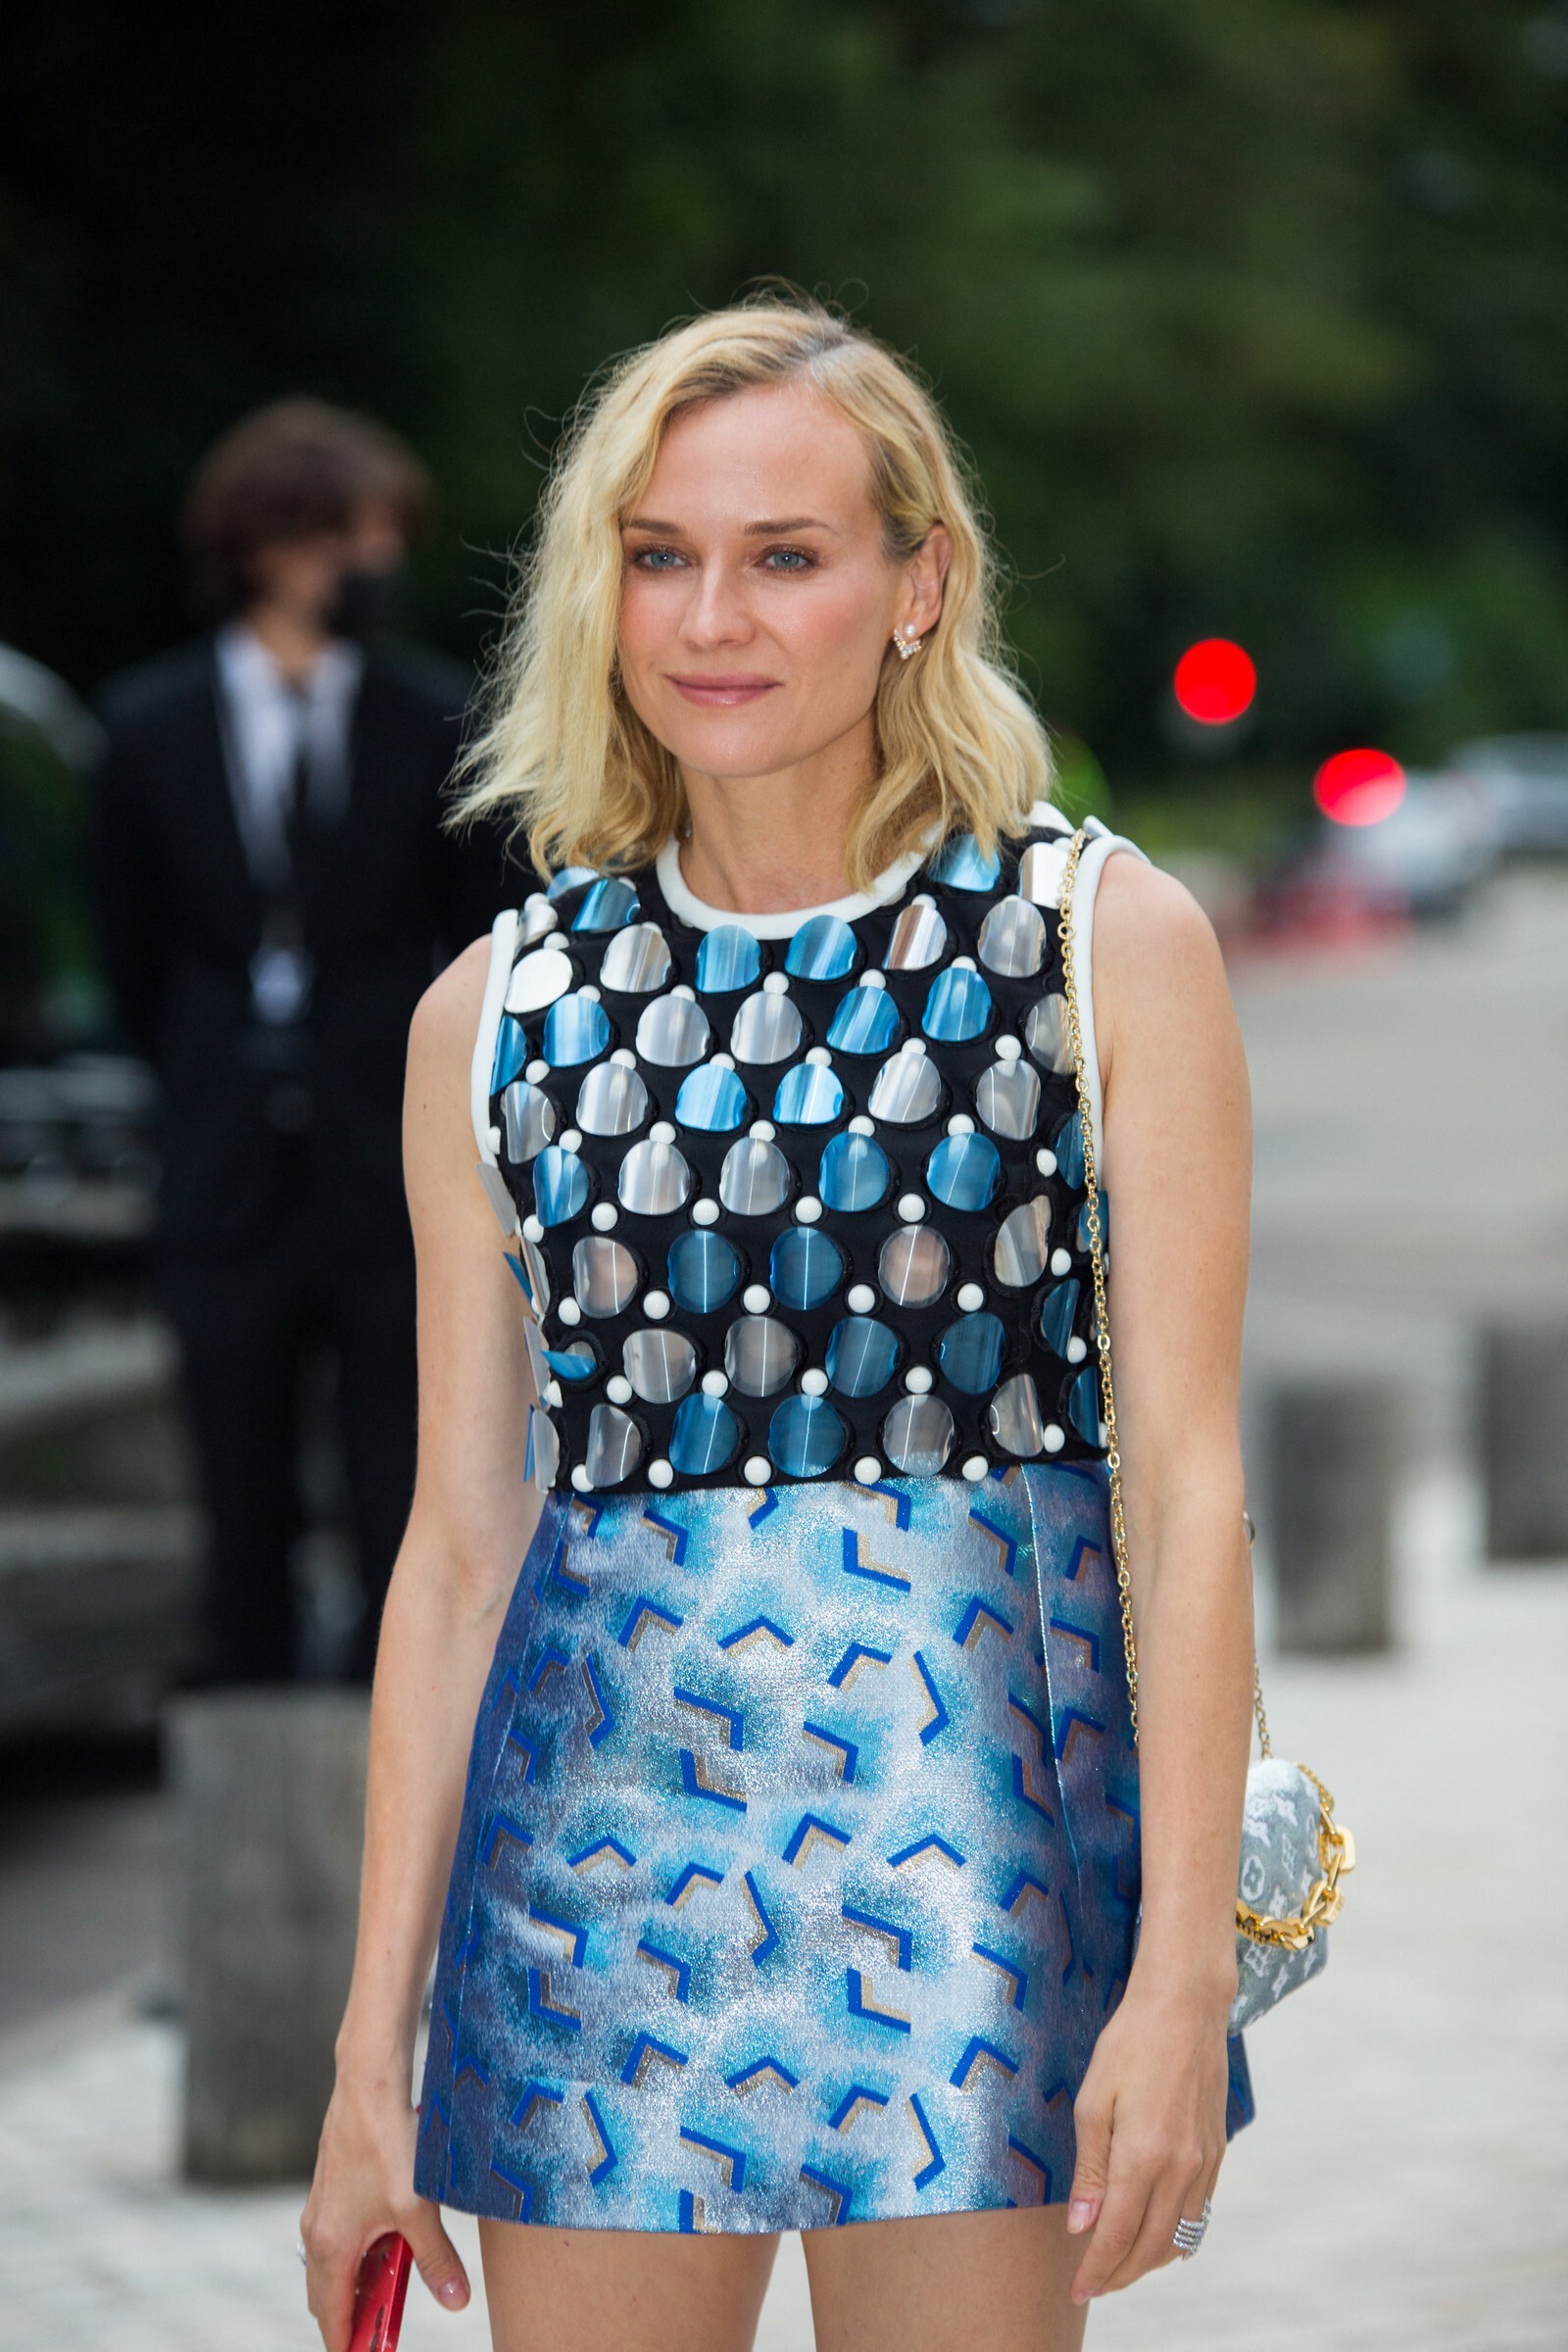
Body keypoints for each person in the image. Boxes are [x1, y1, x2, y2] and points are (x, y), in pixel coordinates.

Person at [301, 300, 1257, 2352]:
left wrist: (1181, 1980)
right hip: (586, 1889)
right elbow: (457, 1551)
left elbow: (1188, 1496)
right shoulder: (494, 1014)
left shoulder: (1095, 946)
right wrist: (370, 2053)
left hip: (977, 1875)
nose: (710, 618)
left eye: (784, 555)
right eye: (659, 555)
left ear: (920, 585)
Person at [92, 400, 509, 1685]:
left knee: (402, 1455)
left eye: (387, 539)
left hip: (389, 1156)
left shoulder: (438, 719)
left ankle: (400, 1717)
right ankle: (246, 1702)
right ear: (268, 546)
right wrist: (203, 1080)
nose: (377, 565)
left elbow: (487, 939)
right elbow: (130, 955)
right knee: (235, 1454)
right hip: (221, 1158)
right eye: (352, 538)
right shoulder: (147, 726)